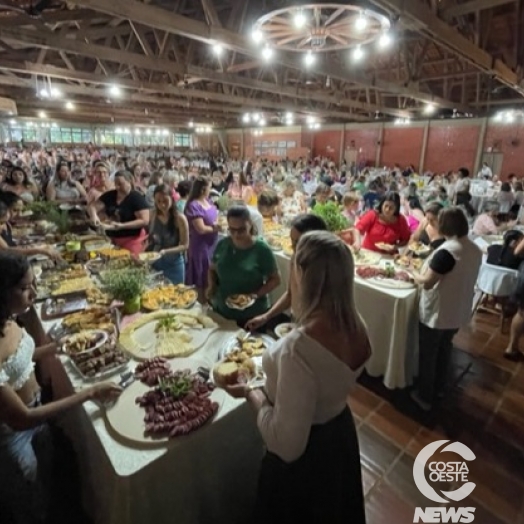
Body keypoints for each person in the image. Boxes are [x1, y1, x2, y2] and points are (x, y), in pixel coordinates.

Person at [225, 231, 369, 524]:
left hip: (307, 463)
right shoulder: (356, 323)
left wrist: (252, 392)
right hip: (339, 435)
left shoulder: (298, 348)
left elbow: (286, 446)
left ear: (302, 274)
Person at [0, 252, 122, 524]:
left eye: (33, 284)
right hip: (11, 436)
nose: (33, 293)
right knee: (29, 504)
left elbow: (19, 358)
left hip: (39, 409)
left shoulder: (10, 319)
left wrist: (58, 346)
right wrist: (88, 393)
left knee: (49, 483)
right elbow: (21, 418)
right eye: (24, 288)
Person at [412, 207, 482, 410]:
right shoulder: (473, 248)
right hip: (458, 309)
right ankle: (440, 388)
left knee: (429, 354)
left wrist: (414, 273)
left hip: (439, 312)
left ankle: (424, 396)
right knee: (445, 349)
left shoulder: (447, 252)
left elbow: (427, 282)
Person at [246, 214, 327, 331]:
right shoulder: (295, 259)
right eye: (292, 241)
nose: (293, 247)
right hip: (297, 322)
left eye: (299, 242)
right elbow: (290, 294)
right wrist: (266, 317)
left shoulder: (328, 268)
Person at [207, 206, 280, 325]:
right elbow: (212, 270)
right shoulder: (223, 244)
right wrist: (211, 286)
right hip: (223, 311)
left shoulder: (261, 249)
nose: (236, 235)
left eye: (241, 230)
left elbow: (276, 280)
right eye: (232, 230)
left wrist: (255, 295)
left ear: (250, 224)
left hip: (251, 315)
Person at [87, 170, 150, 256]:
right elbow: (92, 206)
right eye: (116, 183)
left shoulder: (136, 198)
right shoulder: (110, 195)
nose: (117, 187)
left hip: (132, 239)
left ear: (129, 182)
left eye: (120, 184)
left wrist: (122, 226)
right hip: (111, 238)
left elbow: (144, 220)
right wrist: (94, 216)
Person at [184, 176, 220, 296]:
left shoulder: (208, 201)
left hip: (212, 244)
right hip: (200, 246)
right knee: (202, 274)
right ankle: (201, 299)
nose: (210, 190)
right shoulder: (194, 205)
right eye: (209, 187)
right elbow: (201, 229)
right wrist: (215, 228)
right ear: (203, 189)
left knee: (211, 272)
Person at [146, 184, 189, 284]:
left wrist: (165, 251)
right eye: (158, 202)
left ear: (172, 198)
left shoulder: (180, 218)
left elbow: (185, 245)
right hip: (156, 263)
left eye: (165, 201)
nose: (162, 205)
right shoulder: (152, 214)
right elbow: (150, 239)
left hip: (174, 264)